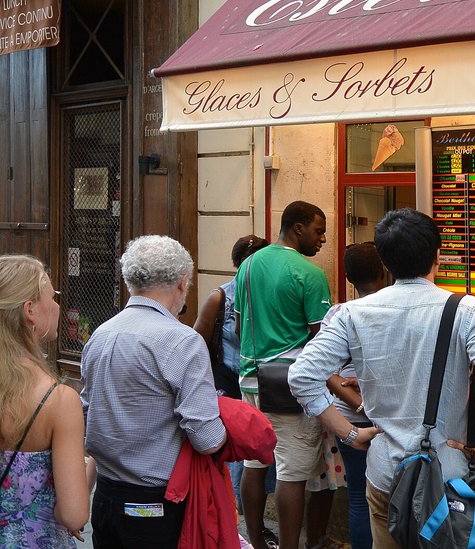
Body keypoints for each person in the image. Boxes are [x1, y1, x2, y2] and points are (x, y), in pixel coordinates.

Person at [288, 207, 475, 549]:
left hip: (386, 474)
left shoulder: (351, 314)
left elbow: (302, 377)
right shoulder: (469, 311)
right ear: (437, 256)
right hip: (447, 478)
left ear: (385, 263)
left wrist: (350, 433)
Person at [82, 236, 228, 549]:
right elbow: (207, 439)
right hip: (157, 500)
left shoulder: (100, 335)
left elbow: (86, 412)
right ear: (181, 283)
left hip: (106, 495)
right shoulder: (183, 341)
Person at [234, 201, 332, 549]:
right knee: (292, 473)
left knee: (255, 462)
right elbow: (323, 340)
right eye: (319, 231)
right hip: (291, 385)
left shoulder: (247, 265)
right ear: (298, 227)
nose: (323, 240)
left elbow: (240, 321)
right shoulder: (310, 274)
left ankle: (257, 542)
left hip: (250, 379)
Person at [192, 234, 277, 546]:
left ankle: (249, 519)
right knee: (234, 452)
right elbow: (197, 339)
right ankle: (233, 519)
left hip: (265, 382)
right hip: (229, 380)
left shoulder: (272, 294)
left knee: (259, 450)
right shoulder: (221, 297)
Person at [0, 255, 89, 548]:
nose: (57, 305)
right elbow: (73, 514)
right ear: (30, 311)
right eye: (52, 297)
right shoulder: (57, 400)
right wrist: (93, 464)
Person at [310, 241, 387, 549]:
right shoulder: (395, 312)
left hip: (350, 421)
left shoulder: (339, 314)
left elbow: (319, 369)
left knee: (359, 494)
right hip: (390, 419)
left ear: (349, 278)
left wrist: (347, 389)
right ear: (384, 271)